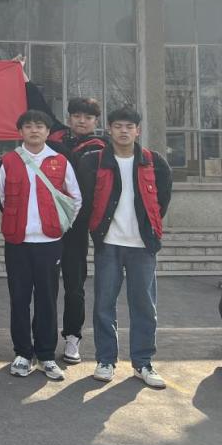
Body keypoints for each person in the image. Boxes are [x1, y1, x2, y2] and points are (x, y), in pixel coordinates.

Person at [74, 106, 172, 389]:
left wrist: (148, 229)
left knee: (144, 306)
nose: (124, 131)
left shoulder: (154, 161)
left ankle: (143, 362)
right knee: (104, 304)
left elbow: (162, 201)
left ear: (138, 130)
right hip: (109, 244)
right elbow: (85, 199)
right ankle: (106, 360)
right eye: (118, 126)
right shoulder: (94, 161)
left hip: (142, 246)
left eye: (129, 126)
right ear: (109, 129)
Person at [19, 55, 106, 364]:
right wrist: (22, 74)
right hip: (46, 224)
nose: (82, 121)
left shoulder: (102, 150)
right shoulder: (54, 137)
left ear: (96, 121)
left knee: (74, 285)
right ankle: (40, 340)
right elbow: (38, 105)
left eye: (88, 117)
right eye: (77, 115)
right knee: (44, 287)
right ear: (69, 118)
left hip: (77, 227)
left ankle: (72, 337)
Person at [0, 111, 82, 381]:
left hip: (50, 243)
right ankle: (22, 353)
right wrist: (19, 223)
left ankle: (45, 355)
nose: (34, 130)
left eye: (39, 126)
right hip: (18, 243)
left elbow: (75, 198)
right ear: (20, 131)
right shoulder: (7, 161)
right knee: (19, 300)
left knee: (47, 300)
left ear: (47, 131)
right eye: (28, 126)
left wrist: (61, 225)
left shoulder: (60, 161)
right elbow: (2, 198)